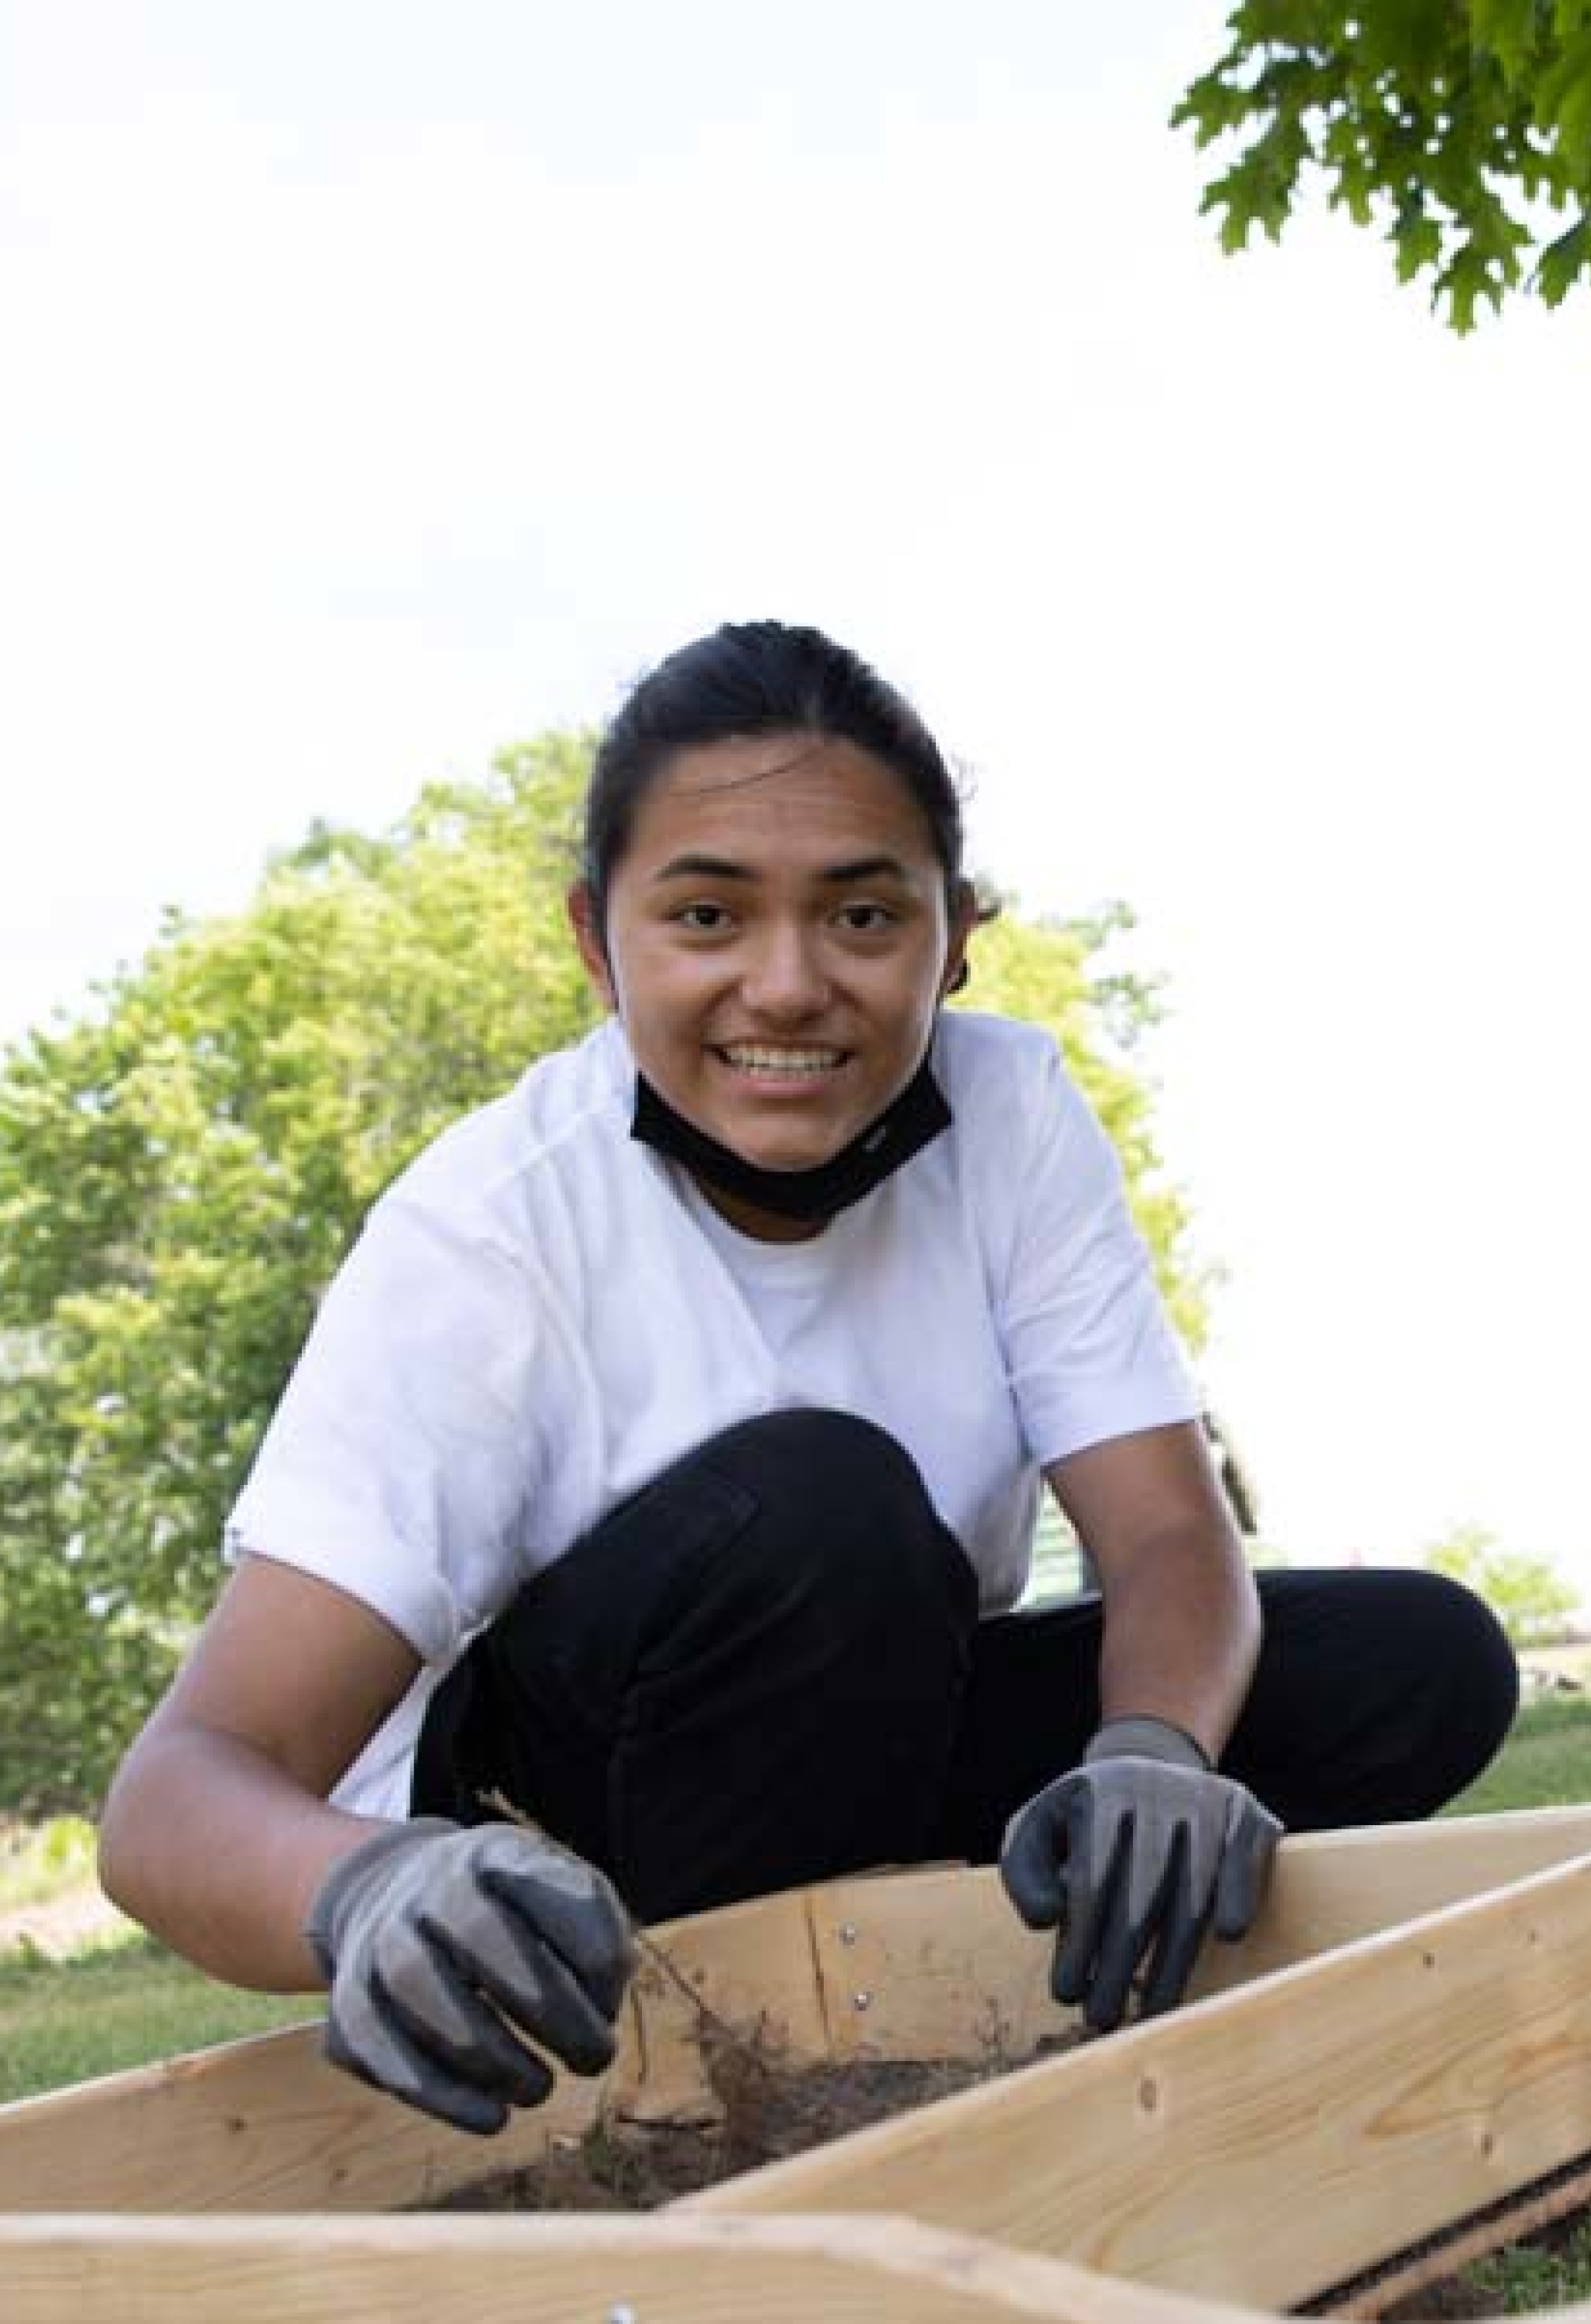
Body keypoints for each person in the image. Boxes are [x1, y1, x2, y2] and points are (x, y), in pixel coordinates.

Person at [96, 621, 1519, 2134]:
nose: (786, 987)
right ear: (597, 944)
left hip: (881, 1719)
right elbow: (179, 1792)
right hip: (563, 1844)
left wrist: (1152, 1755)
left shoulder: (1012, 1110)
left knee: (1413, 1663)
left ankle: (981, 1966)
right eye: (706, 917)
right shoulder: (489, 1229)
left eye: (860, 918)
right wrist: (366, 1889)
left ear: (953, 937)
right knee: (822, 1498)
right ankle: (762, 2091)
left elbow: (1168, 1534)